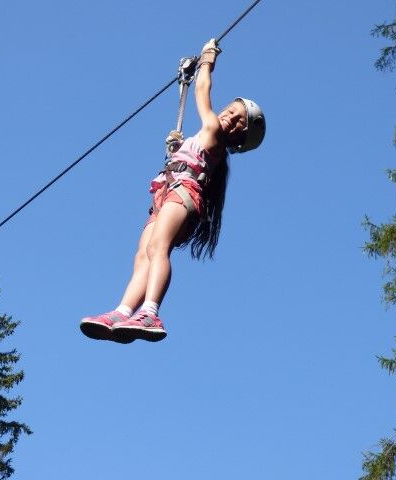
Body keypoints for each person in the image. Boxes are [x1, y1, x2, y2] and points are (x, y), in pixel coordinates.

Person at [80, 39, 266, 343]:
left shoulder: (214, 132)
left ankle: (150, 312)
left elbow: (202, 92)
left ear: (238, 137)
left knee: (158, 248)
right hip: (167, 190)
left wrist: (207, 61)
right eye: (230, 112)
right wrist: (179, 148)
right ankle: (123, 310)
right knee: (143, 254)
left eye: (237, 121)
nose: (228, 118)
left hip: (183, 191)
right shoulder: (206, 138)